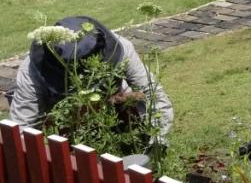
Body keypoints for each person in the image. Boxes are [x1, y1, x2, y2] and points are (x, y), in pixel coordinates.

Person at [8, 16, 174, 148]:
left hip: (114, 104)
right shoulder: (31, 73)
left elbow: (153, 94)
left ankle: (127, 140)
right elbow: (22, 128)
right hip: (66, 124)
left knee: (137, 98)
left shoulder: (121, 49)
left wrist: (158, 145)